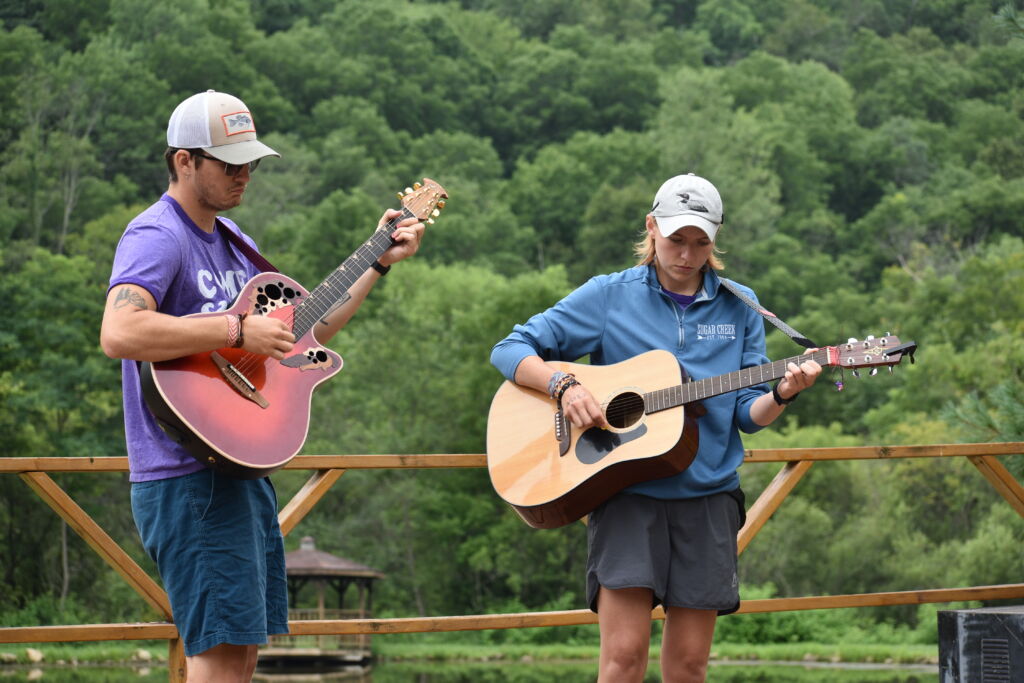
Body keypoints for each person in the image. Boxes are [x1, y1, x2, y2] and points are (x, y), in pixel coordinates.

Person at [100, 90, 426, 682]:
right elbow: (120, 331)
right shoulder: (157, 234)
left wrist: (378, 258)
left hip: (239, 467)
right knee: (220, 658)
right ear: (184, 161)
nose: (244, 174)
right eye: (230, 163)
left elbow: (309, 325)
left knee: (242, 655)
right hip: (186, 477)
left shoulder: (232, 238)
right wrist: (233, 329)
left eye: (250, 161)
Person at [490, 173, 822, 682]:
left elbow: (746, 416)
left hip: (708, 497)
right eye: (675, 240)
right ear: (651, 227)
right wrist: (564, 385)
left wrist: (782, 393)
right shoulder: (608, 296)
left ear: (714, 241)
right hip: (627, 498)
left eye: (700, 242)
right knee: (623, 661)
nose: (686, 254)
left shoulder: (742, 306)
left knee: (689, 666)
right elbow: (509, 349)